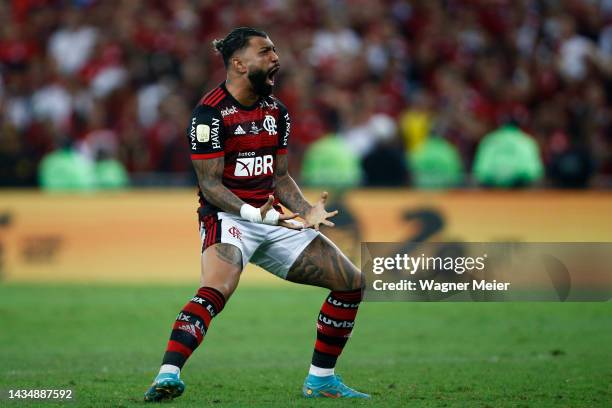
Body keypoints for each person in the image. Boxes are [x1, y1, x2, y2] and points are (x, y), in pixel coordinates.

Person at [144, 27, 369, 402]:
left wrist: (305, 209)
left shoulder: (276, 111)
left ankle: (321, 380)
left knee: (351, 283)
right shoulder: (208, 115)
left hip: (273, 219)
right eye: (265, 51)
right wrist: (252, 213)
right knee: (216, 290)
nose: (275, 58)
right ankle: (167, 374)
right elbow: (210, 185)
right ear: (239, 63)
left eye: (275, 51)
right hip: (229, 219)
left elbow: (280, 177)